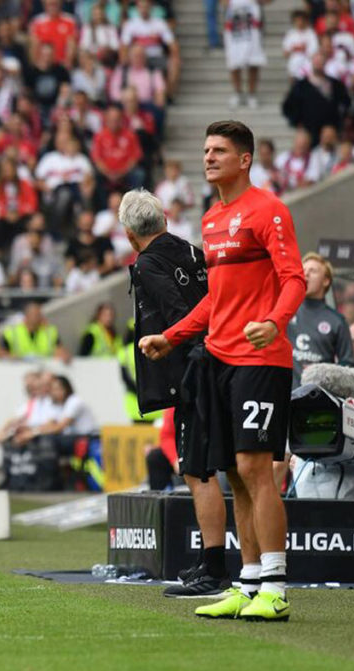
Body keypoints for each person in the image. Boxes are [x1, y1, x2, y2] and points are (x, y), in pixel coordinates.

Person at [140, 121, 305, 621]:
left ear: (245, 159)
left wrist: (274, 324)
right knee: (234, 473)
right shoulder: (212, 219)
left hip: (260, 359)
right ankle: (247, 582)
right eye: (206, 148)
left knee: (258, 469)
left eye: (220, 150)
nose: (209, 157)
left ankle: (274, 587)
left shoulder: (268, 210)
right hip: (218, 357)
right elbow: (217, 298)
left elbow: (293, 277)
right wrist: (173, 336)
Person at [121, 188, 228, 599]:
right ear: (163, 219)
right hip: (216, 363)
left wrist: (169, 343)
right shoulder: (191, 249)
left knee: (197, 471)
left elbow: (179, 316)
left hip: (193, 374)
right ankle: (209, 559)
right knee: (204, 469)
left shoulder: (148, 263)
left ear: (131, 234)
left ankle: (215, 568)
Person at [288, 252, 353, 388]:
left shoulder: (337, 321)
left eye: (313, 271)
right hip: (284, 396)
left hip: (319, 400)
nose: (306, 274)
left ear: (326, 281)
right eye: (303, 270)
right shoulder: (286, 311)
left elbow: (348, 366)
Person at [223, 0, 267, 109]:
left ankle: (252, 94)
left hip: (252, 31)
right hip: (234, 32)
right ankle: (237, 93)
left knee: (253, 62)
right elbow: (223, 2)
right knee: (234, 63)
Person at [0, 301, 71, 362]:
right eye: (35, 315)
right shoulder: (12, 332)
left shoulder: (50, 331)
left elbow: (60, 351)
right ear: (26, 316)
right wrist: (11, 358)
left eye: (39, 315)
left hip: (44, 372)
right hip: (19, 371)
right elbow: (0, 354)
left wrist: (64, 356)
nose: (38, 318)